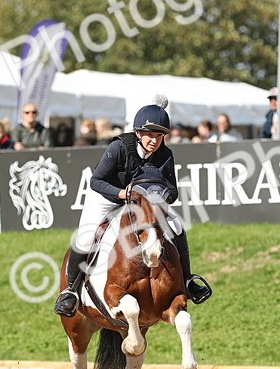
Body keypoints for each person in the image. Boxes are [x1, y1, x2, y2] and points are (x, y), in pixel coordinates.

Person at [53, 96, 212, 317]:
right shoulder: (119, 147)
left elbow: (173, 191)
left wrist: (160, 196)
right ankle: (70, 291)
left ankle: (188, 279)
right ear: (138, 133)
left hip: (146, 203)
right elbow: (96, 181)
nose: (154, 141)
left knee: (177, 227)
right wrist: (122, 193)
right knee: (85, 238)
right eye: (149, 135)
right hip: (109, 196)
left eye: (159, 136)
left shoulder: (165, 154)